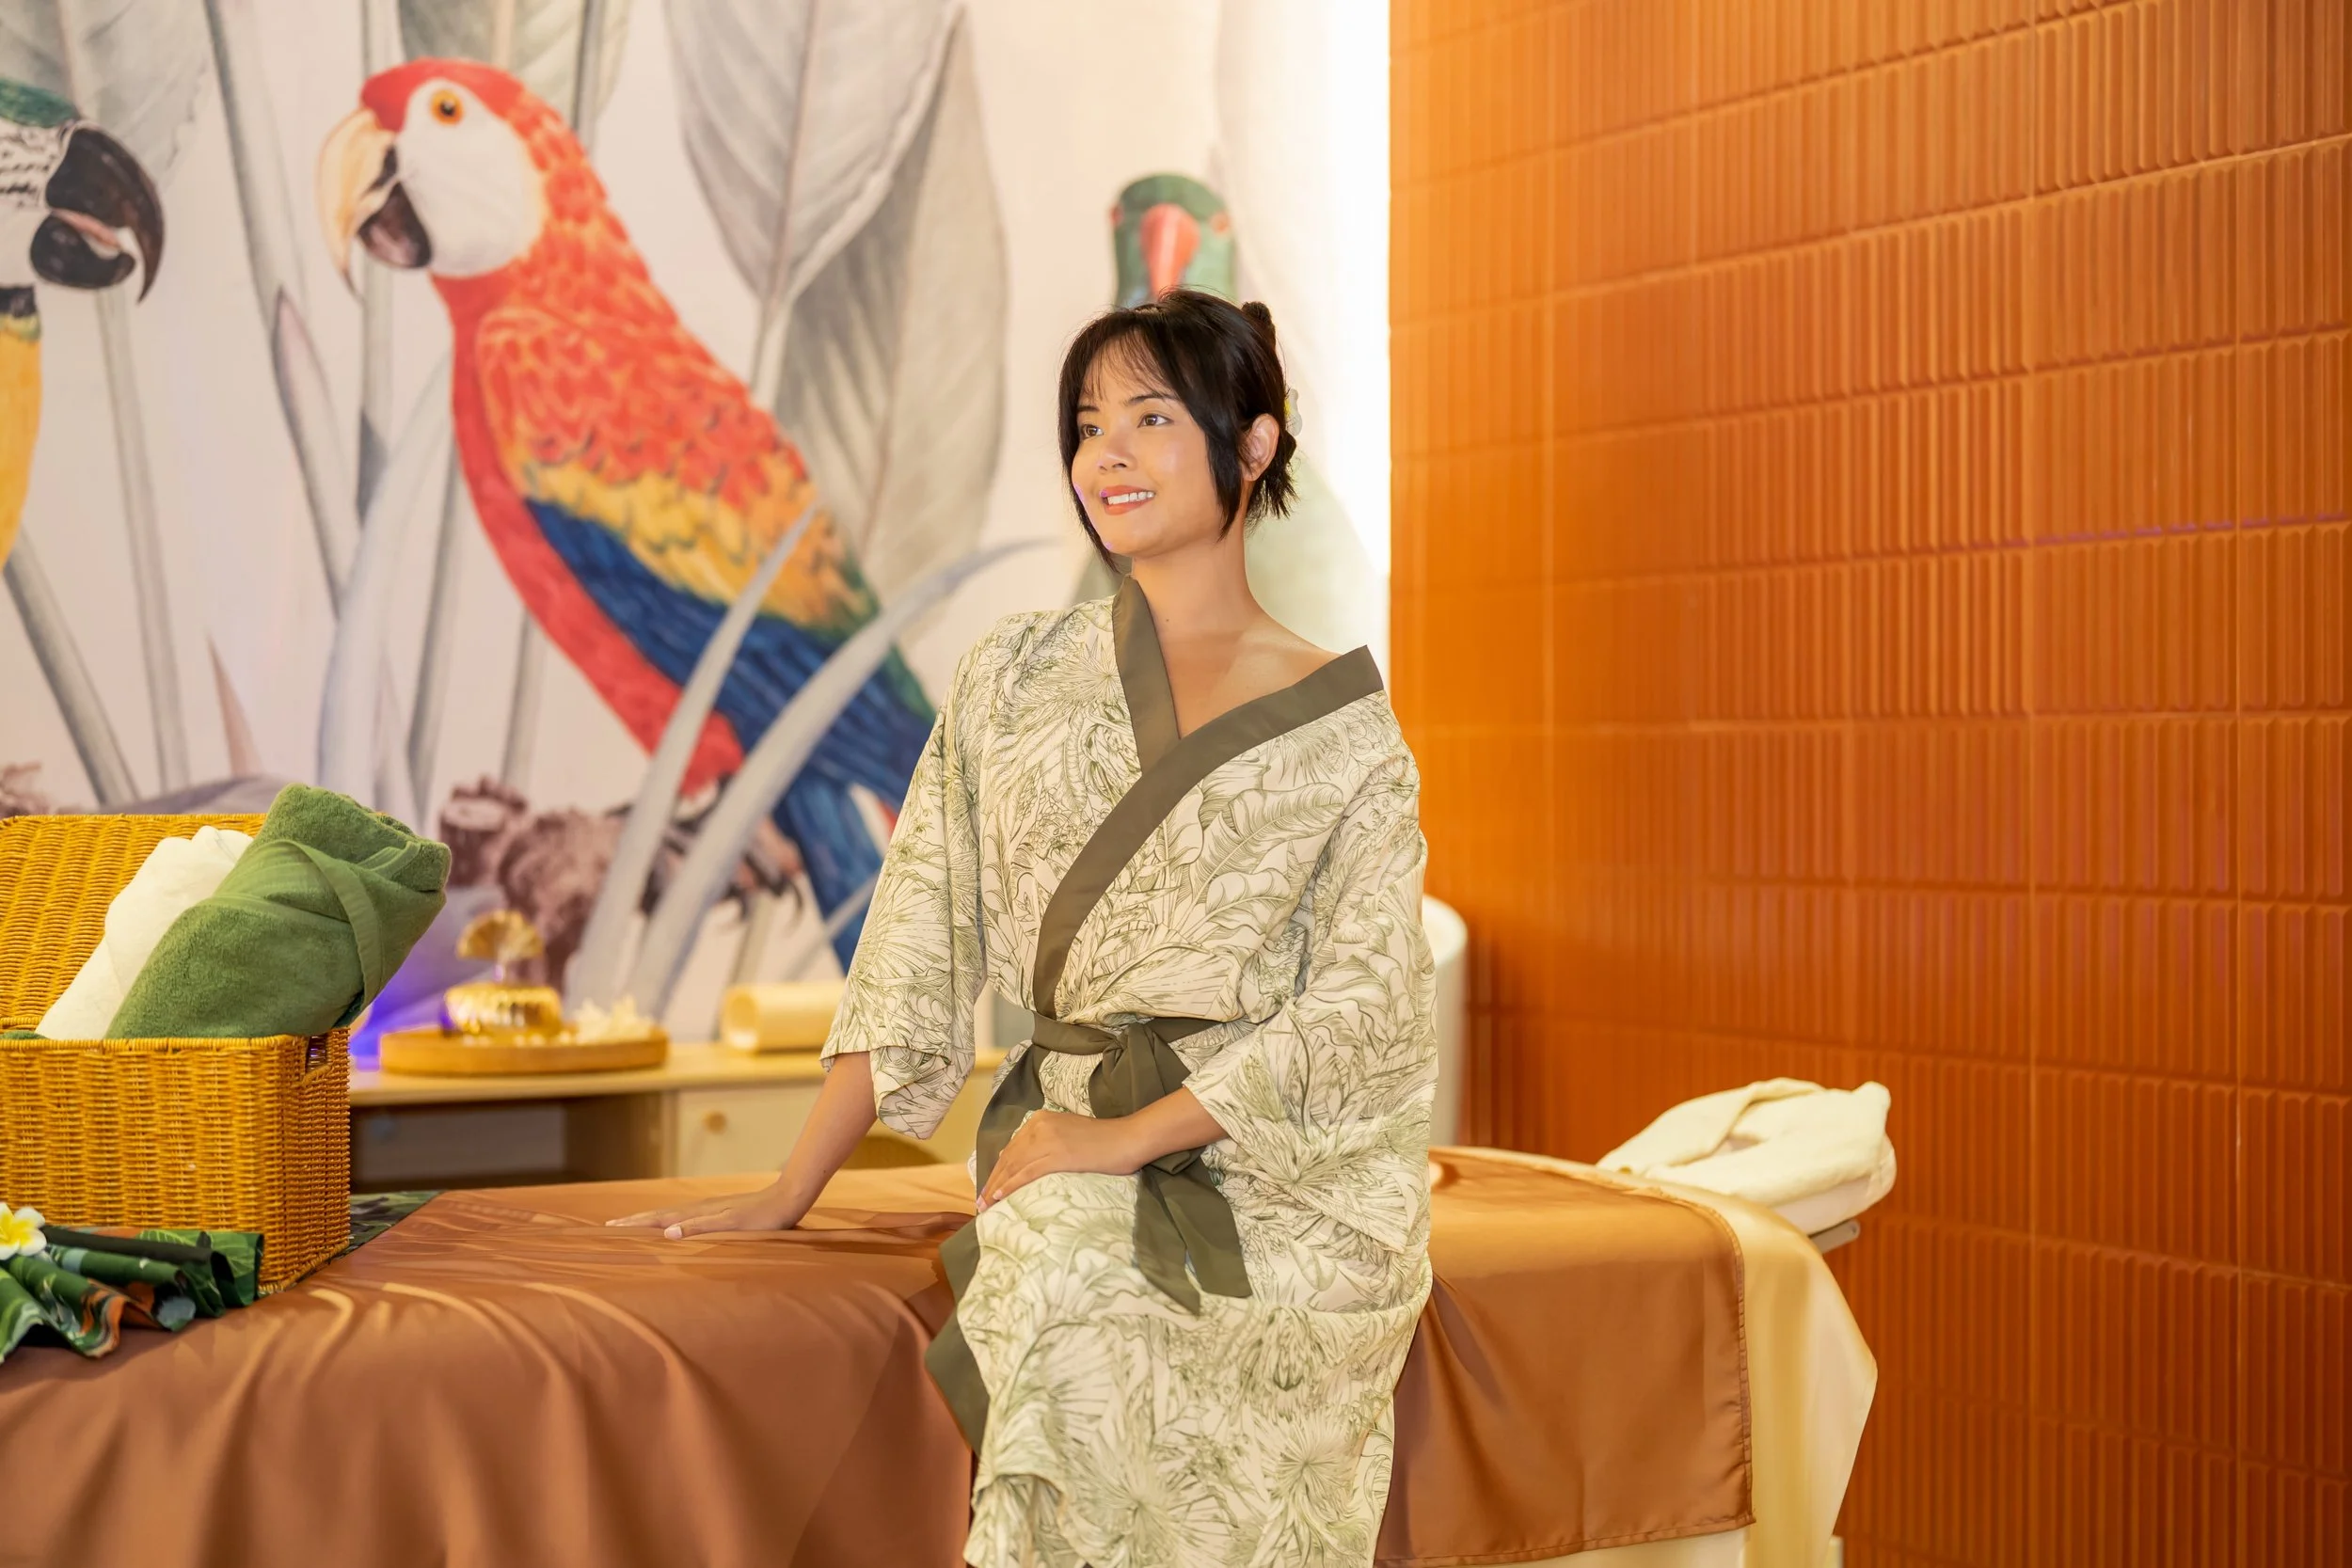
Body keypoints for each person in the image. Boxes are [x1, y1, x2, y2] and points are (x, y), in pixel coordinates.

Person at [615, 289, 1437, 1568]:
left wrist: (1127, 1137)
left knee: (1068, 1259)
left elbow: (1366, 1006)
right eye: (1088, 425)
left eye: (1150, 418)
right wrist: (790, 1187)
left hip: (1274, 1181)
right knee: (1061, 1249)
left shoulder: (1347, 732)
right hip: (1065, 1137)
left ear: (1254, 443)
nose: (1107, 454)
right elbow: (918, 928)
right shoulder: (1013, 676)